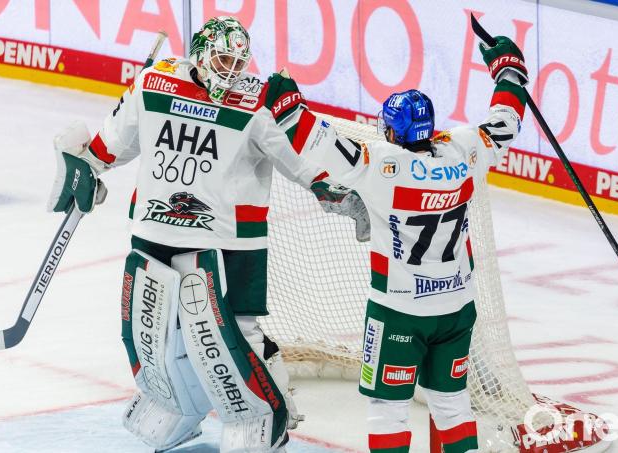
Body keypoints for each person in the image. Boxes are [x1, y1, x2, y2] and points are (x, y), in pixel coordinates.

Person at [47, 16, 321, 452]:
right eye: (223, 59)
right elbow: (111, 146)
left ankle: (266, 415)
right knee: (152, 331)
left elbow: (301, 161)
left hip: (229, 239)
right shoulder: (153, 84)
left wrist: (333, 186)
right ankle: (177, 406)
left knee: (230, 336)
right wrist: (87, 167)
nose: (231, 71)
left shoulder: (256, 102)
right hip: (155, 229)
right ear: (201, 54)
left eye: (238, 62)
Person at [291, 36, 530, 452]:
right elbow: (506, 122)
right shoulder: (464, 150)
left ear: (394, 130)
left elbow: (316, 142)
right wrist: (509, 71)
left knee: (388, 409)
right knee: (452, 404)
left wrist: (285, 104)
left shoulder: (382, 165)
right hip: (456, 309)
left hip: (399, 313)